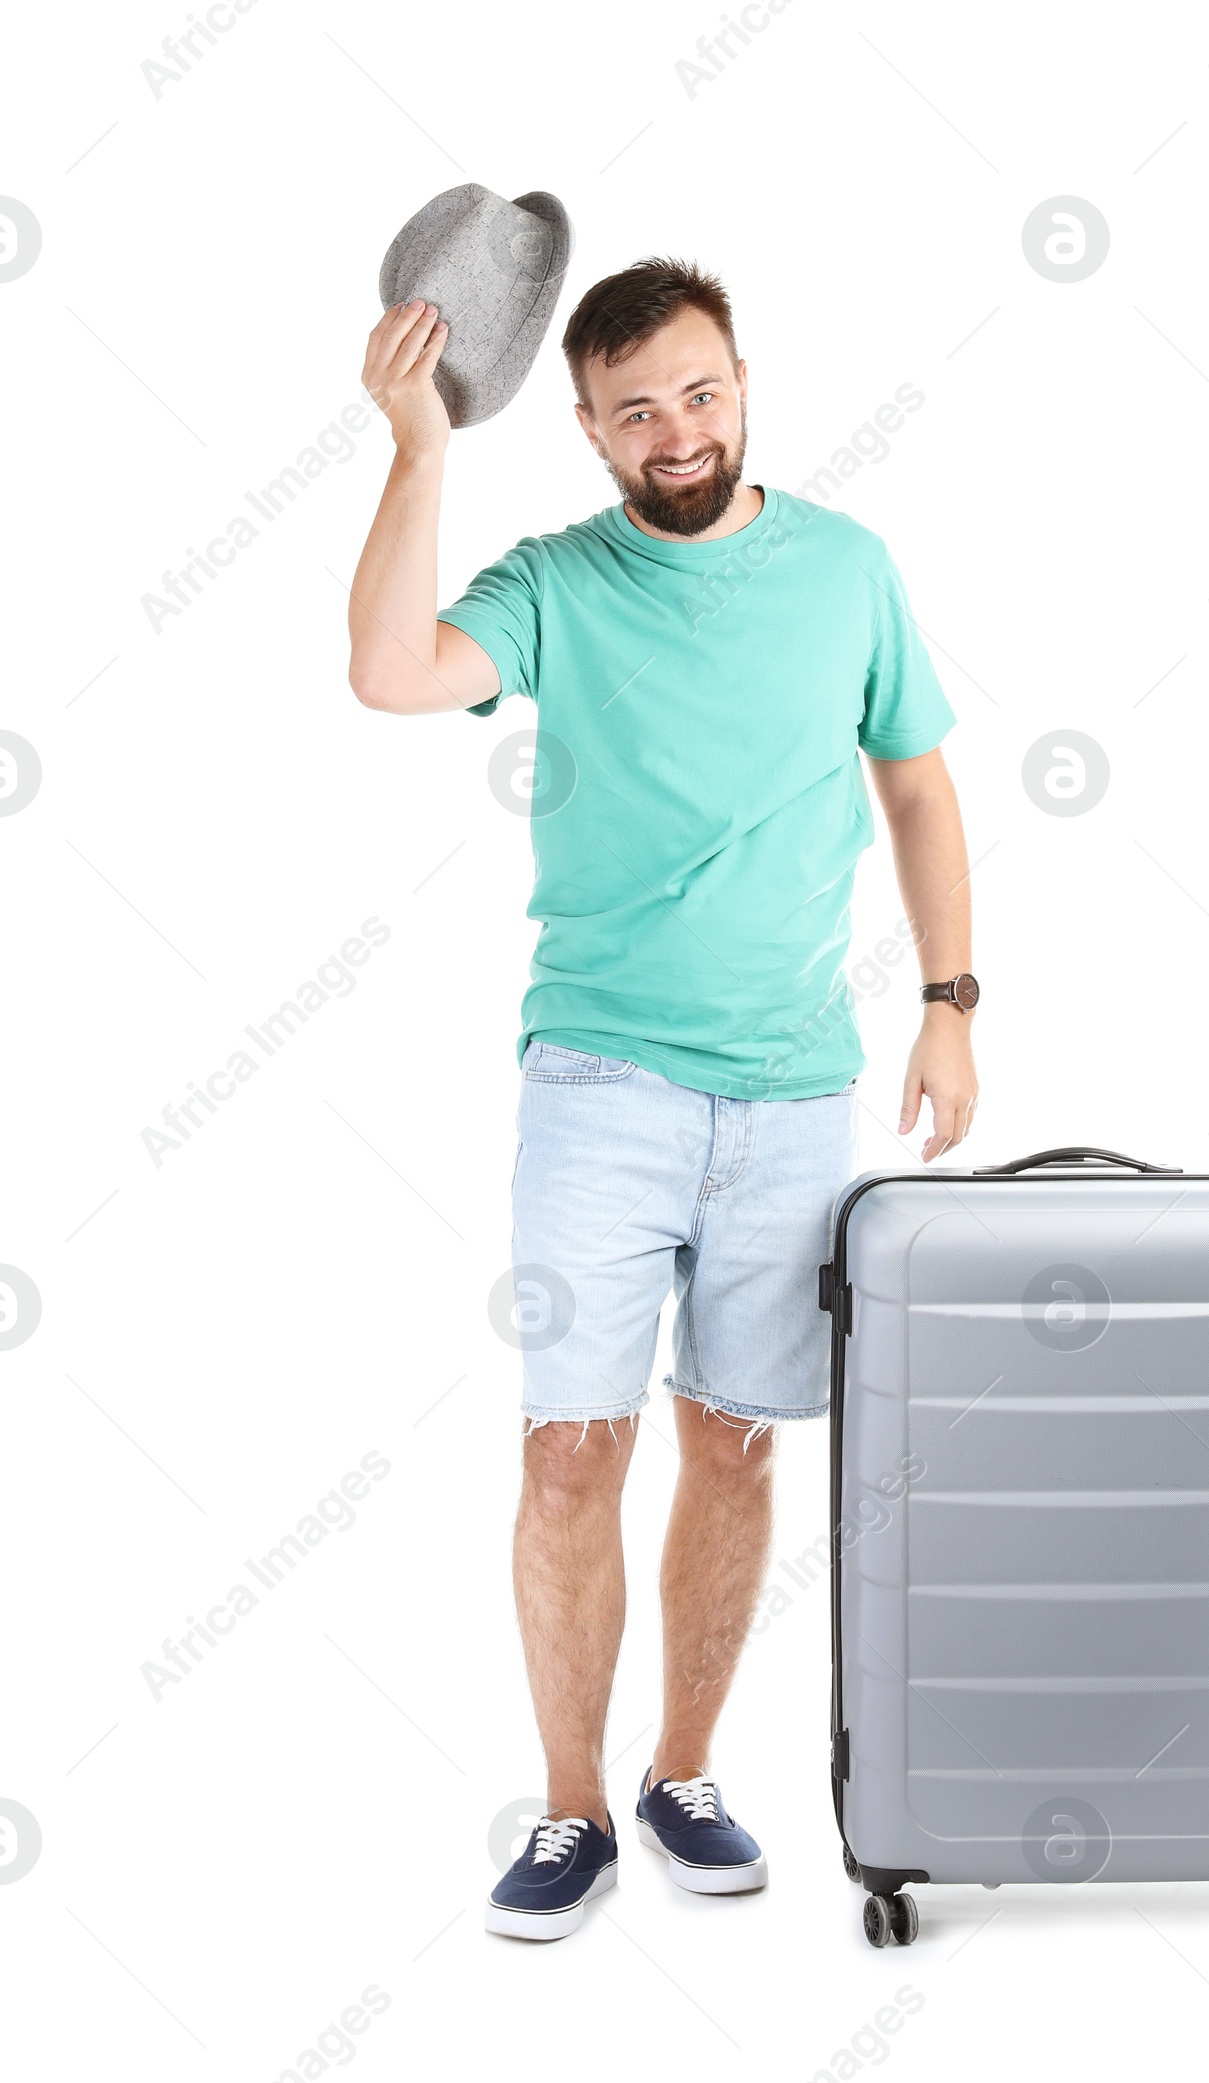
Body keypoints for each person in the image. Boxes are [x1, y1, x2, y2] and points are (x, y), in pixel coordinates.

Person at [347, 257, 979, 1941]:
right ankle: (568, 1815)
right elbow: (392, 672)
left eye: (700, 394)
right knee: (569, 1454)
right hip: (601, 1078)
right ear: (589, 429)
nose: (677, 431)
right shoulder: (557, 583)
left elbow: (915, 785)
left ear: (742, 381)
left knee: (737, 1439)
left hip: (795, 1090)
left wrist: (950, 1005)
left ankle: (682, 1774)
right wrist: (418, 449)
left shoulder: (848, 568)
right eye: (638, 410)